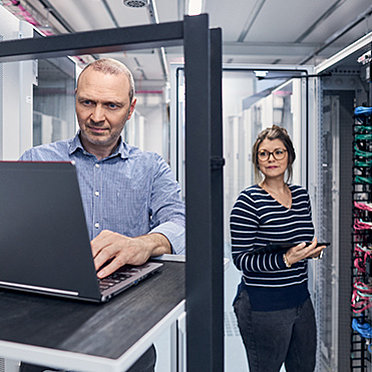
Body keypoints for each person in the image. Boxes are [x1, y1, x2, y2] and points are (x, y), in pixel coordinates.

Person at [19, 58, 185, 372]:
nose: (97, 116)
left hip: (127, 336)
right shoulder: (38, 159)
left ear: (131, 108)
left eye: (111, 105)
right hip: (46, 335)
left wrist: (144, 244)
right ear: (75, 100)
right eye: (87, 102)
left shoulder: (151, 168)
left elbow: (180, 222)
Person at [230, 125, 326, 372]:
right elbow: (241, 260)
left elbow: (304, 238)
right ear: (257, 160)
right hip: (264, 306)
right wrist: (285, 259)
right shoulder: (248, 201)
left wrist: (312, 252)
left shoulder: (302, 196)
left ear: (290, 156)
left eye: (278, 152)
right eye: (264, 154)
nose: (271, 159)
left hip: (301, 301)